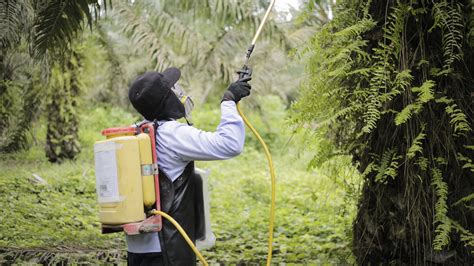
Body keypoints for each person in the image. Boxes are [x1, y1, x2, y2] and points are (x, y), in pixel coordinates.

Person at [127, 67, 251, 265]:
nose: (180, 92)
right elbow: (230, 144)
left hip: (137, 249)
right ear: (167, 99)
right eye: (174, 89)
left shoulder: (137, 132)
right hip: (168, 249)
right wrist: (228, 101)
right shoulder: (173, 134)